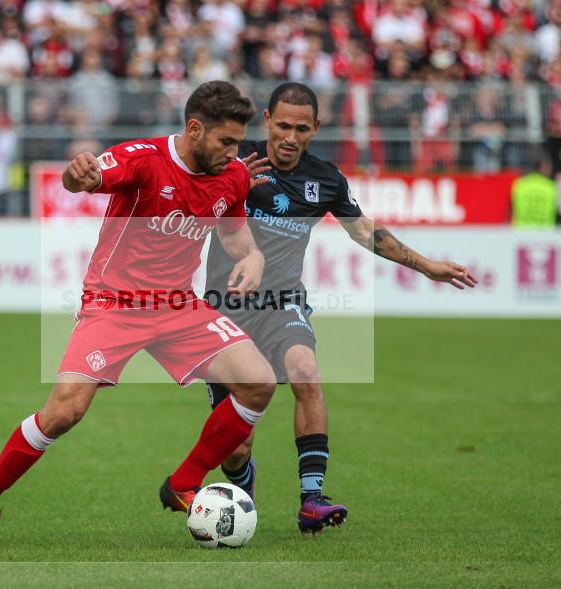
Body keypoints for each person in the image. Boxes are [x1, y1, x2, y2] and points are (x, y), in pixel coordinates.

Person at [0, 81, 278, 548]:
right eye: (226, 141)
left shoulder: (233, 175)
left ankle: (184, 481)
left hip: (178, 305)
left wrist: (253, 257)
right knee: (64, 412)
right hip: (114, 303)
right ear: (195, 129)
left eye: (239, 143)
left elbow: (236, 234)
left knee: (259, 382)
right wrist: (77, 174)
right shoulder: (143, 159)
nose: (234, 152)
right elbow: (85, 179)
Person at [202, 82, 478, 534]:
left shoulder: (326, 178)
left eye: (302, 128)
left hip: (283, 303)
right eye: (283, 126)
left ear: (316, 128)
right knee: (237, 446)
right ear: (267, 120)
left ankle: (312, 499)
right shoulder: (234, 158)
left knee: (305, 371)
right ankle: (243, 483)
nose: (290, 137)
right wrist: (228, 184)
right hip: (225, 310)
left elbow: (364, 231)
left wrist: (425, 265)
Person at [511, 158, 558, 229]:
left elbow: (513, 211)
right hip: (544, 233)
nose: (550, 170)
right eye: (548, 167)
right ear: (541, 168)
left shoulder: (520, 184)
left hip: (522, 232)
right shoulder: (551, 187)